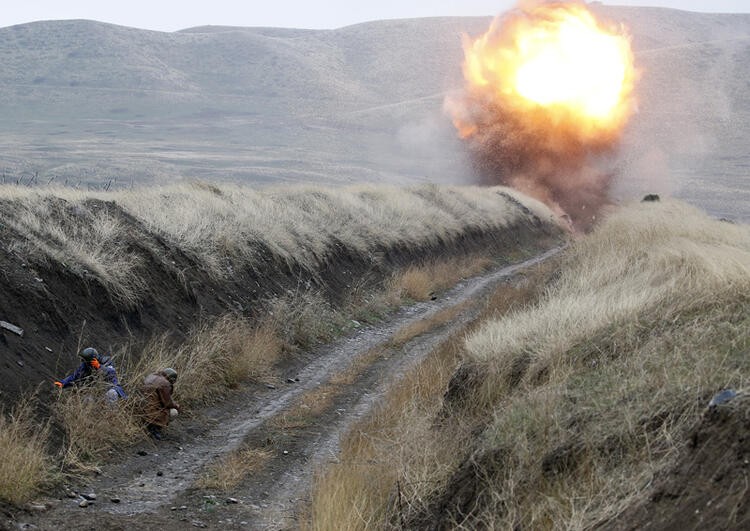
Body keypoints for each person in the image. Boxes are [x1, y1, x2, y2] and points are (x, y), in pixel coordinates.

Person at [54, 347, 127, 402]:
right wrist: (63, 383)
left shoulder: (106, 361)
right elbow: (75, 376)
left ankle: (112, 416)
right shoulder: (85, 365)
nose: (83, 361)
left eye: (85, 360)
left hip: (110, 388)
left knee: (111, 394)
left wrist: (99, 367)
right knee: (87, 400)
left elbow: (111, 372)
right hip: (96, 392)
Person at [142, 368, 180, 440]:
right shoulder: (165, 383)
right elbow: (168, 403)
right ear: (171, 379)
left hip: (140, 408)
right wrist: (177, 406)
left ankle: (151, 426)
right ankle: (155, 428)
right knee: (174, 412)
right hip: (152, 412)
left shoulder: (151, 376)